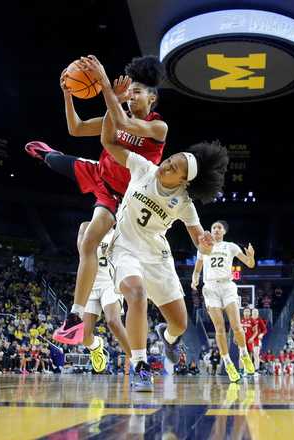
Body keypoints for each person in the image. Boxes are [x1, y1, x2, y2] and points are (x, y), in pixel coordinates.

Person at [82, 54, 228, 391]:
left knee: (179, 322)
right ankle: (139, 364)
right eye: (172, 159)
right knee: (135, 291)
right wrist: (110, 94)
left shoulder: (185, 202)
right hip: (126, 248)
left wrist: (204, 243)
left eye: (175, 167)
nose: (168, 165)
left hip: (157, 256)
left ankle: (167, 337)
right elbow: (107, 140)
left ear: (184, 181)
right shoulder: (144, 168)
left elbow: (196, 236)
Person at [24, 55, 167, 345]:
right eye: (128, 92)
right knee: (55, 163)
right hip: (101, 176)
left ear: (152, 98)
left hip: (126, 198)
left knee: (91, 239)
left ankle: (80, 318)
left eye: (136, 92)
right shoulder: (113, 116)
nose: (130, 96)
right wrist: (68, 95)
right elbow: (75, 128)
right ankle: (76, 316)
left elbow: (124, 122)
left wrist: (104, 84)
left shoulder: (158, 128)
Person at [190, 220, 256, 382]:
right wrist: (194, 280)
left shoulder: (231, 246)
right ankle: (227, 364)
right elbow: (197, 268)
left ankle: (244, 354)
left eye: (219, 228)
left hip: (227, 286)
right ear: (210, 231)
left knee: (236, 326)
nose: (216, 230)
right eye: (214, 227)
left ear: (224, 231)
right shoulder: (204, 247)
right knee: (219, 328)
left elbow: (250, 264)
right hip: (210, 288)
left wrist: (251, 257)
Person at [76, 222, 131, 373]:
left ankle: (139, 363)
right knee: (85, 336)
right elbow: (83, 254)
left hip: (110, 283)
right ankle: (96, 347)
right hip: (91, 285)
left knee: (113, 321)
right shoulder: (86, 227)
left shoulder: (121, 233)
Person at [248, 308, 267, 375]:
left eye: (256, 312)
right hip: (249, 340)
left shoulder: (259, 320)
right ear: (251, 313)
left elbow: (265, 330)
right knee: (249, 355)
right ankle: (249, 370)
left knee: (256, 354)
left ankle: (256, 370)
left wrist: (261, 334)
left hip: (257, 340)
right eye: (254, 312)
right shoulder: (249, 319)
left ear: (258, 313)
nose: (255, 313)